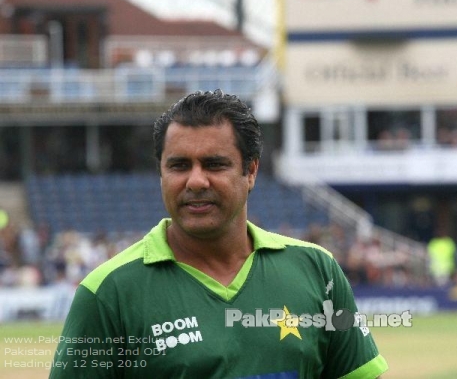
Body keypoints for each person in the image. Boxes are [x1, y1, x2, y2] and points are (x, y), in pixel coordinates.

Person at [50, 90, 388, 378]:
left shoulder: (317, 270)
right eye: (179, 166)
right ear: (161, 173)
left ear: (251, 170)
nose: (196, 181)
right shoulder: (107, 293)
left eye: (214, 164)